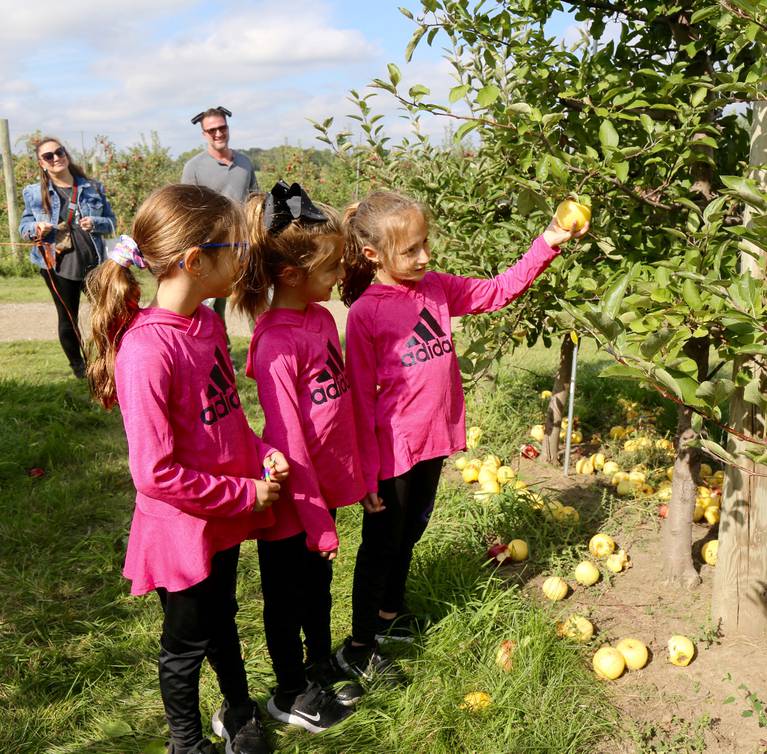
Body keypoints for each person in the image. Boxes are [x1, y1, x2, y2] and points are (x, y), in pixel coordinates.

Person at [334, 190, 589, 680]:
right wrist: (364, 472)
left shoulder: (434, 287)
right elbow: (361, 399)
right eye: (410, 251)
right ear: (373, 255)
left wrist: (548, 242)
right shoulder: (367, 314)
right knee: (380, 547)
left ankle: (388, 617)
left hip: (431, 441)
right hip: (391, 453)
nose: (424, 257)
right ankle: (360, 644)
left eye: (424, 244)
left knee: (408, 535)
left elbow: (496, 291)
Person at [84, 184, 288, 754]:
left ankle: (238, 710)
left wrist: (257, 452)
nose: (244, 259)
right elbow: (154, 474)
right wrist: (245, 494)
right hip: (181, 529)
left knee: (223, 617)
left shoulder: (206, 324)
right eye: (235, 248)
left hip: (220, 512)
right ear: (196, 260)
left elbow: (223, 418)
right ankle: (186, 741)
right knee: (185, 644)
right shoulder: (147, 352)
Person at [232, 181, 364, 733]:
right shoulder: (279, 345)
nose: (339, 276)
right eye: (331, 268)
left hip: (322, 498)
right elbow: (291, 444)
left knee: (317, 591)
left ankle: (316, 666)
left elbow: (338, 410)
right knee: (286, 601)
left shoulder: (319, 320)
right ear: (292, 276)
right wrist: (318, 524)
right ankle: (289, 690)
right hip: (293, 504)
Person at [19, 136, 116, 379]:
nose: (55, 158)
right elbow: (24, 227)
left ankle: (109, 360)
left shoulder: (92, 188)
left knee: (106, 313)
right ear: (42, 163)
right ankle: (80, 369)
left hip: (93, 262)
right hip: (56, 264)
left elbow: (111, 223)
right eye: (48, 156)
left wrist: (95, 222)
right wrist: (36, 228)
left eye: (58, 152)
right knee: (68, 317)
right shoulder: (33, 193)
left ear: (66, 154)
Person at [182, 107, 259, 348]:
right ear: (204, 134)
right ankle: (218, 352)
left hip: (244, 244)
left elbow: (255, 200)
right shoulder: (193, 167)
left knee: (255, 298)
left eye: (222, 128)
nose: (218, 133)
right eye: (212, 130)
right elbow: (187, 208)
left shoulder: (245, 163)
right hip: (212, 247)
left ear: (228, 128)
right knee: (213, 303)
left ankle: (263, 348)